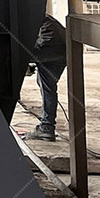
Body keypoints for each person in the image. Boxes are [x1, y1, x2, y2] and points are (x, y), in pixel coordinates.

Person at [30, 13, 67, 142]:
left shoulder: (24, 14)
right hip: (64, 49)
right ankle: (47, 127)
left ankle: (46, 127)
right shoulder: (41, 14)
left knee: (47, 88)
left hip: (47, 45)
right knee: (48, 87)